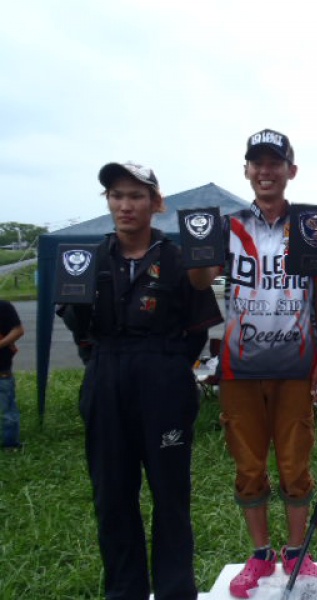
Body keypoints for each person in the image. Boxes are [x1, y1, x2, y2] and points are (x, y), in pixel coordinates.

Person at [61, 162, 223, 599]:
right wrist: (106, 366)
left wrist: (164, 368)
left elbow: (198, 329)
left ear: (155, 203)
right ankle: (125, 592)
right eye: (116, 195)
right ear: (108, 202)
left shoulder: (177, 259)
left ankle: (175, 591)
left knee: (170, 498)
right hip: (106, 378)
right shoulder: (87, 260)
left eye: (136, 196)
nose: (125, 205)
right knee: (112, 497)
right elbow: (80, 332)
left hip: (164, 382)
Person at [188, 128, 317, 598]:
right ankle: (259, 554)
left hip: (296, 365)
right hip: (239, 368)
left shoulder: (313, 225)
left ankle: (296, 552)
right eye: (258, 163)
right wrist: (199, 249)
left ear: (291, 171)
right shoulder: (227, 226)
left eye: (276, 163)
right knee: (248, 467)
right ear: (247, 170)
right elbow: (197, 281)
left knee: (296, 465)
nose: (266, 171)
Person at [0, 299, 24, 451]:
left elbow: (18, 330)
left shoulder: (3, 307)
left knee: (7, 410)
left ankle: (10, 444)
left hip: (2, 369)